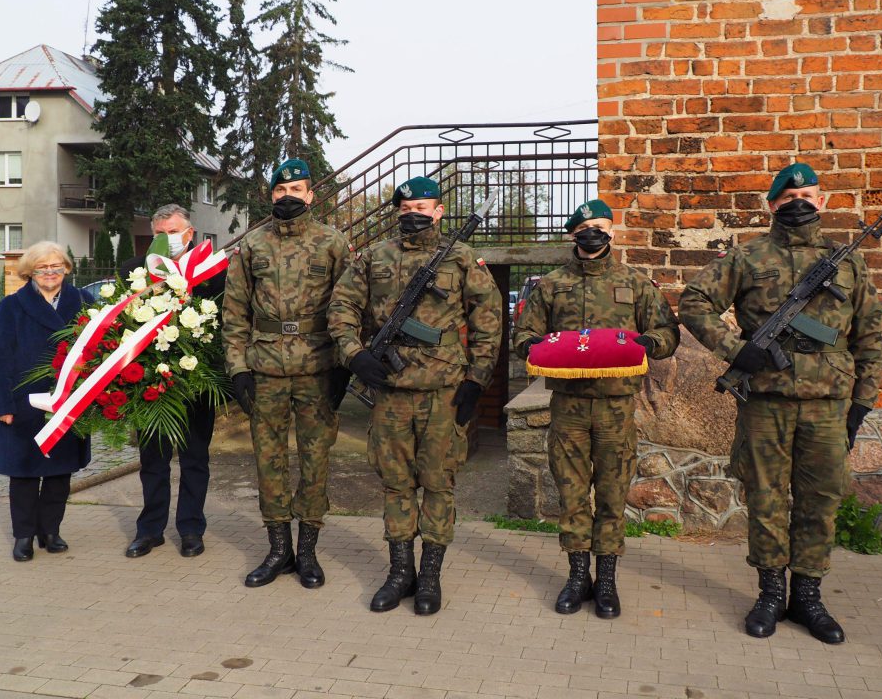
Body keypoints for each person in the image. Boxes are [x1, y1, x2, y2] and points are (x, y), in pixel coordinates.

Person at [678, 163, 882, 644]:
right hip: (765, 402)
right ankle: (770, 593)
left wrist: (863, 402)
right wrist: (736, 350)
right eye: (788, 197)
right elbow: (694, 302)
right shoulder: (747, 257)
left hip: (828, 405)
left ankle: (807, 597)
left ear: (822, 201)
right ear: (772, 204)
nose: (799, 203)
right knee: (766, 499)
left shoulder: (848, 263)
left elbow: (870, 335)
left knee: (821, 500)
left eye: (808, 195)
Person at [328, 176, 502, 615]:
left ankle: (430, 576)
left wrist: (476, 381)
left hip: (443, 392)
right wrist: (355, 355)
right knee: (396, 484)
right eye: (406, 209)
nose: (413, 215)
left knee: (439, 483)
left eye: (422, 208)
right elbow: (342, 307)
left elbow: (488, 320)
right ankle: (400, 572)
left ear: (439, 211)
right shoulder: (374, 256)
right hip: (390, 391)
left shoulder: (462, 259)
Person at [512, 199, 680, 619]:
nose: (594, 233)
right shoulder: (551, 285)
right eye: (585, 227)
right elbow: (524, 334)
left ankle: (606, 580)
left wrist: (650, 343)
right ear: (573, 234)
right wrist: (532, 347)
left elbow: (667, 331)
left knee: (611, 494)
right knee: (571, 494)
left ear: (612, 232)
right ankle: (577, 576)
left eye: (601, 226)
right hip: (568, 406)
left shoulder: (636, 284)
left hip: (616, 407)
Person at [222, 158, 353, 589]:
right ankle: (279, 550)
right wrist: (238, 369)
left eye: (296, 189)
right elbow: (235, 313)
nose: (288, 196)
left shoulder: (333, 243)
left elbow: (350, 308)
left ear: (311, 195)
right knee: (269, 462)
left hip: (317, 368)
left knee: (316, 461)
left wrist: (344, 367)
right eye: (281, 190)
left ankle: (308, 551)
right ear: (271, 195)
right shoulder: (252, 245)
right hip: (265, 369)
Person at [118, 204, 226, 559]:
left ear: (190, 234)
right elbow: (119, 320)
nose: (168, 239)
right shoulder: (134, 270)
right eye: (160, 233)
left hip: (197, 382)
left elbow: (227, 322)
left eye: (174, 232)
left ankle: (191, 529)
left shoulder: (214, 271)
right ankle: (149, 530)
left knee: (195, 459)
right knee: (153, 461)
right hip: (150, 384)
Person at [0, 241, 94, 562]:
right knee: (24, 472)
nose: (50, 272)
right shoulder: (11, 307)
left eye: (56, 265)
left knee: (60, 471)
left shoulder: (84, 302)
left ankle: (50, 531)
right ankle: (23, 536)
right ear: (30, 272)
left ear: (67, 268)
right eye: (42, 267)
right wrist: (1, 405)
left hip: (68, 401)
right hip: (24, 404)